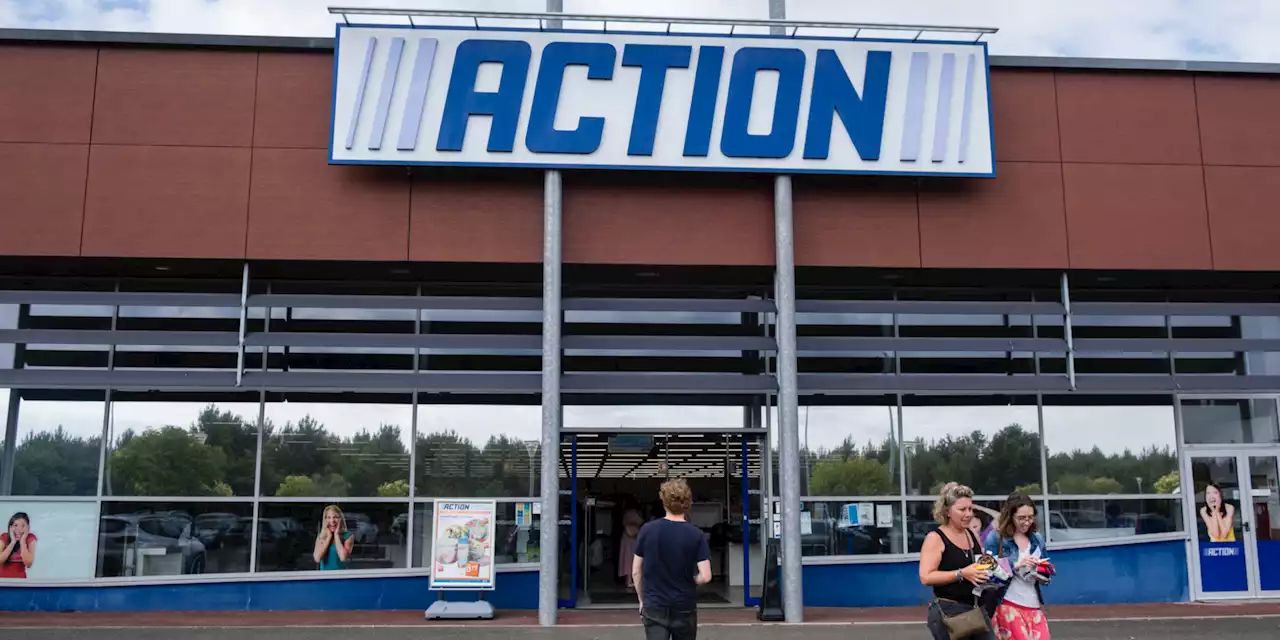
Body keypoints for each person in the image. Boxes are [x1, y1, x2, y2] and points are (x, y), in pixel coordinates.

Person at [632, 479, 711, 640]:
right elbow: (706, 576)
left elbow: (635, 571)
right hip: (684, 605)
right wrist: (692, 580)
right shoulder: (696, 534)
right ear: (687, 503)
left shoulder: (647, 530)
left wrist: (642, 601)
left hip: (654, 604)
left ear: (664, 501)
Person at [919, 482, 994, 640]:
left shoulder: (970, 534)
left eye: (970, 509)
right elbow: (926, 577)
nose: (968, 514)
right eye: (962, 510)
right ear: (947, 511)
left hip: (975, 609)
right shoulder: (935, 538)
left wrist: (993, 572)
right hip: (949, 611)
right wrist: (961, 574)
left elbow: (977, 566)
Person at [984, 493, 1051, 640]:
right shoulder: (996, 538)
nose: (1027, 522)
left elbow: (1047, 571)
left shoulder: (1037, 539)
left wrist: (1040, 569)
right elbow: (986, 571)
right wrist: (1015, 564)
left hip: (1034, 606)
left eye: (1030, 517)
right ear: (1010, 516)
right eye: (1021, 518)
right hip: (1008, 605)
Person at [313, 505, 354, 570]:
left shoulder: (348, 536)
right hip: (324, 576)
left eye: (335, 517)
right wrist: (328, 537)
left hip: (341, 576)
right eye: (329, 517)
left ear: (340, 519)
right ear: (325, 520)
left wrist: (336, 535)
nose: (332, 521)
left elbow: (343, 557)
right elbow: (317, 558)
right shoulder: (321, 536)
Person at [0, 513, 36, 579]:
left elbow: (28, 564)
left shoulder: (30, 538)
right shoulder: (4, 537)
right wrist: (12, 542)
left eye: (23, 526)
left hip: (20, 582)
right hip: (2, 581)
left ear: (28, 527)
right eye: (15, 525)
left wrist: (22, 541)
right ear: (10, 527)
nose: (19, 529)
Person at [619, 506, 644, 589]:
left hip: (626, 537)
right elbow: (641, 522)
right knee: (633, 558)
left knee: (627, 558)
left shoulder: (625, 514)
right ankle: (632, 581)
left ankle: (628, 580)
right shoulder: (635, 514)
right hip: (633, 538)